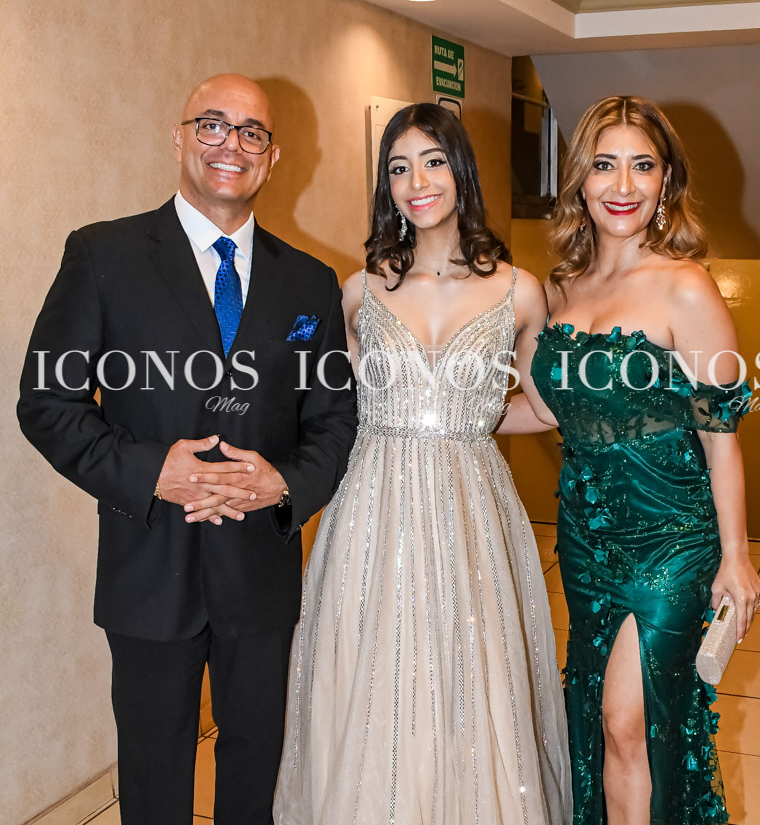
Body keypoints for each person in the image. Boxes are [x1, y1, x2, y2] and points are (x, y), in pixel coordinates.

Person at [17, 73, 357, 825]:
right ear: (179, 138)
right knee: (154, 773)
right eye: (212, 124)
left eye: (251, 132)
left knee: (254, 767)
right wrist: (153, 471)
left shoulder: (310, 283)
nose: (230, 144)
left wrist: (284, 485)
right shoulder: (103, 255)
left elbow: (334, 420)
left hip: (260, 571)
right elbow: (46, 404)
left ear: (272, 157)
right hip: (149, 565)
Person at [273, 103, 572, 824]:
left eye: (433, 162)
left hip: (471, 504)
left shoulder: (519, 290)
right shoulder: (357, 292)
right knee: (375, 664)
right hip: (373, 503)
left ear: (461, 170)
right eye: (399, 168)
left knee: (470, 666)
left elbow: (548, 409)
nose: (417, 182)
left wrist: (463, 420)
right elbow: (326, 403)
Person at [506, 95, 760, 824]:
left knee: (630, 720)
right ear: (579, 181)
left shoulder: (685, 285)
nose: (622, 186)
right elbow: (548, 412)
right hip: (585, 542)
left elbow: (719, 431)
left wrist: (736, 556)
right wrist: (436, 419)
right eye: (604, 165)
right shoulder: (560, 288)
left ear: (665, 180)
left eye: (641, 166)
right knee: (599, 722)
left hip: (671, 540)